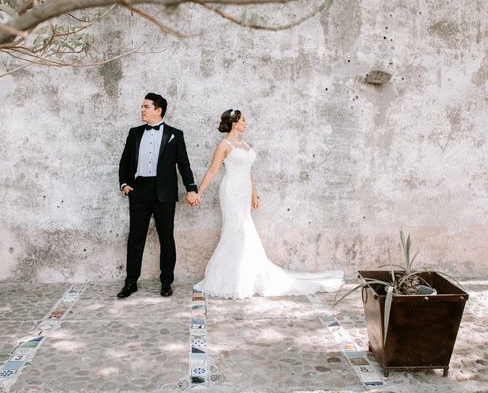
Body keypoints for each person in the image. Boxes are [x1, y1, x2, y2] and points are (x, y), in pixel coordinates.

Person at [194, 109, 344, 299]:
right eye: (243, 120)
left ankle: (246, 274)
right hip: (230, 192)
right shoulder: (224, 145)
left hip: (244, 192)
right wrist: (198, 192)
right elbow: (213, 170)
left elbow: (248, 172)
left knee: (245, 229)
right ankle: (231, 279)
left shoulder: (245, 145)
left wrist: (254, 195)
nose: (246, 123)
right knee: (234, 230)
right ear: (234, 123)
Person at [118, 93, 199, 299]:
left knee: (166, 237)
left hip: (164, 192)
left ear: (158, 109)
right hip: (139, 191)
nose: (142, 110)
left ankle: (166, 282)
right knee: (136, 237)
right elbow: (125, 161)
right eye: (142, 106)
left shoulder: (175, 134)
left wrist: (191, 188)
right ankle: (131, 282)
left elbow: (184, 164)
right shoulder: (134, 133)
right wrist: (125, 184)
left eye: (146, 106)